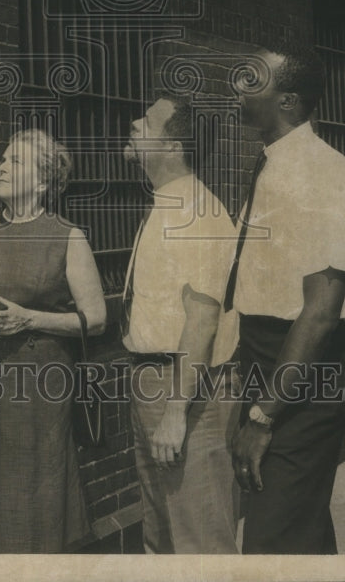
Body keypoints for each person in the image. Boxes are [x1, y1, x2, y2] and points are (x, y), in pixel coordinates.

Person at [229, 43, 345, 554]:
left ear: (287, 100)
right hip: (269, 361)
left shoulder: (323, 174)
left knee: (273, 539)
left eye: (253, 79)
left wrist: (264, 416)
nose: (238, 86)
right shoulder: (275, 164)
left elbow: (320, 311)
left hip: (306, 374)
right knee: (299, 527)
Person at [0, 128, 106, 553]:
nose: (0, 166)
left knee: (33, 502)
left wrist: (28, 319)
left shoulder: (67, 236)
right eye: (2, 158)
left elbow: (97, 319)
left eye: (15, 161)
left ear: (41, 182)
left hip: (39, 390)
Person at [122, 92, 240, 554]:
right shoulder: (167, 203)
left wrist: (174, 412)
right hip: (157, 383)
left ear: (173, 147)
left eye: (147, 122)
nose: (134, 123)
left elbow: (203, 319)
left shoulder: (198, 212)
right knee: (163, 539)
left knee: (201, 542)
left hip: (189, 394)